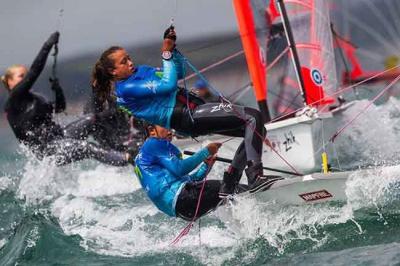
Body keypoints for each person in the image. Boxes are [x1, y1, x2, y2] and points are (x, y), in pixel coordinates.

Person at [94, 26, 269, 196]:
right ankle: (255, 176)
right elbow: (168, 85)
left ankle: (229, 184)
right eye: (124, 62)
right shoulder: (126, 88)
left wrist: (173, 52)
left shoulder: (141, 71)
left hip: (192, 110)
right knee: (253, 117)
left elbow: (176, 74)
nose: (130, 63)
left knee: (257, 129)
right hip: (185, 117)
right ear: (113, 71)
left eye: (129, 58)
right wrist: (166, 54)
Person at [1, 32, 136, 166]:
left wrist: (58, 90)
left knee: (92, 119)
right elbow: (35, 71)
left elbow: (60, 108)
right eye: (21, 76)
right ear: (9, 82)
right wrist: (47, 45)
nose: (25, 79)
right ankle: (128, 159)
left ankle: (118, 150)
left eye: (25, 75)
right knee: (87, 147)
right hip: (47, 150)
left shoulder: (34, 98)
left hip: (60, 136)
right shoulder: (13, 102)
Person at [134, 124, 228, 220]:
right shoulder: (153, 143)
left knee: (230, 196)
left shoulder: (145, 157)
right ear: (152, 131)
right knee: (230, 188)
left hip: (182, 210)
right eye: (165, 127)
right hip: (182, 199)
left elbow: (191, 180)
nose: (170, 132)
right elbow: (180, 169)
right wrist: (206, 151)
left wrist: (207, 165)